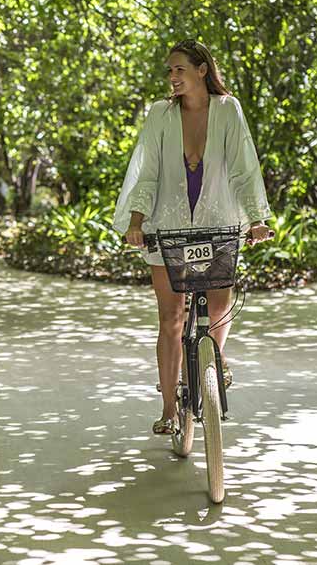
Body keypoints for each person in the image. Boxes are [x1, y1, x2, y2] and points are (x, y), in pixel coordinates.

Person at [112, 40, 273, 436]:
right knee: (171, 319)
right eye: (169, 71)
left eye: (179, 69)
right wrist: (136, 222)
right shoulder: (160, 115)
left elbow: (244, 167)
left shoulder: (228, 109)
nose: (172, 77)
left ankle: (213, 359)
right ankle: (169, 408)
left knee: (220, 307)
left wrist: (256, 219)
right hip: (166, 226)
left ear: (202, 70)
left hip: (218, 222)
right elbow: (148, 172)